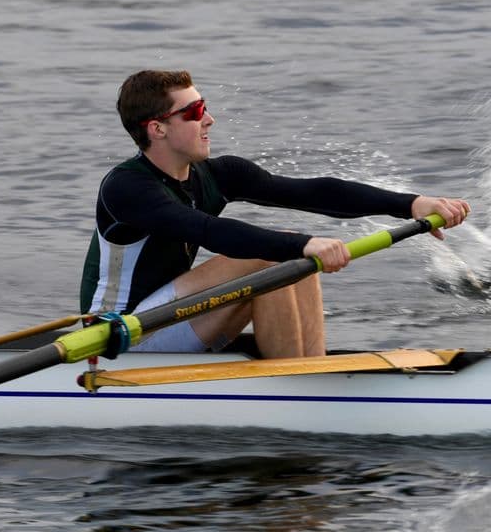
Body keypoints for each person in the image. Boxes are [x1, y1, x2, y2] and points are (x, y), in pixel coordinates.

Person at [80, 69, 470, 358]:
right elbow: (209, 230)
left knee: (292, 258)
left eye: (205, 107)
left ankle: (309, 367)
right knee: (274, 253)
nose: (209, 119)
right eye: (195, 111)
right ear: (157, 129)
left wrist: (411, 204)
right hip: (119, 335)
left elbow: (315, 191)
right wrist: (303, 243)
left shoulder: (217, 174)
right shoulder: (127, 187)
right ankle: (292, 387)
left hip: (178, 316)